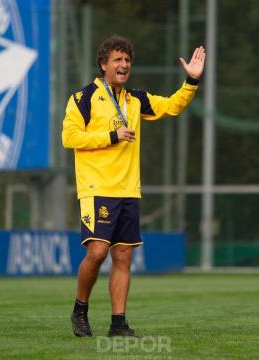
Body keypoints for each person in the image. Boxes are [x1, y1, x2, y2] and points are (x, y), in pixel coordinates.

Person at [62, 35, 205, 337]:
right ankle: (80, 309)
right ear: (103, 65)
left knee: (123, 257)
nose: (124, 64)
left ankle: (118, 324)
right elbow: (70, 138)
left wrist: (191, 81)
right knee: (98, 252)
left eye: (127, 60)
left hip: (128, 190)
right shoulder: (83, 98)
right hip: (96, 188)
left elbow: (172, 106)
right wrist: (111, 137)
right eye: (117, 59)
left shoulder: (135, 99)